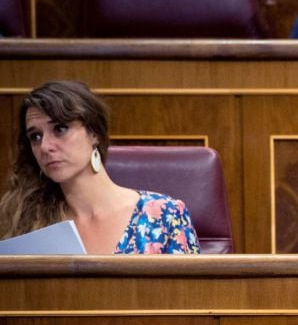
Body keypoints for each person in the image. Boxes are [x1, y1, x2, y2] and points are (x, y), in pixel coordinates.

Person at [0, 80, 200, 254]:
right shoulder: (26, 223)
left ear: (94, 133)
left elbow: (190, 296)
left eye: (60, 129)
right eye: (35, 136)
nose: (45, 146)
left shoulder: (165, 214)